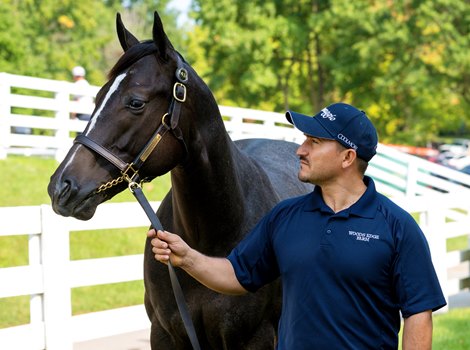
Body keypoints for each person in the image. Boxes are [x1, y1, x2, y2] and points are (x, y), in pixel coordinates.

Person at [147, 102, 446, 349]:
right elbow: (237, 275)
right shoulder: (284, 216)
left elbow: (418, 314)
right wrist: (186, 258)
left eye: (314, 142)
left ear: (347, 157)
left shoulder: (397, 227)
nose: (300, 150)